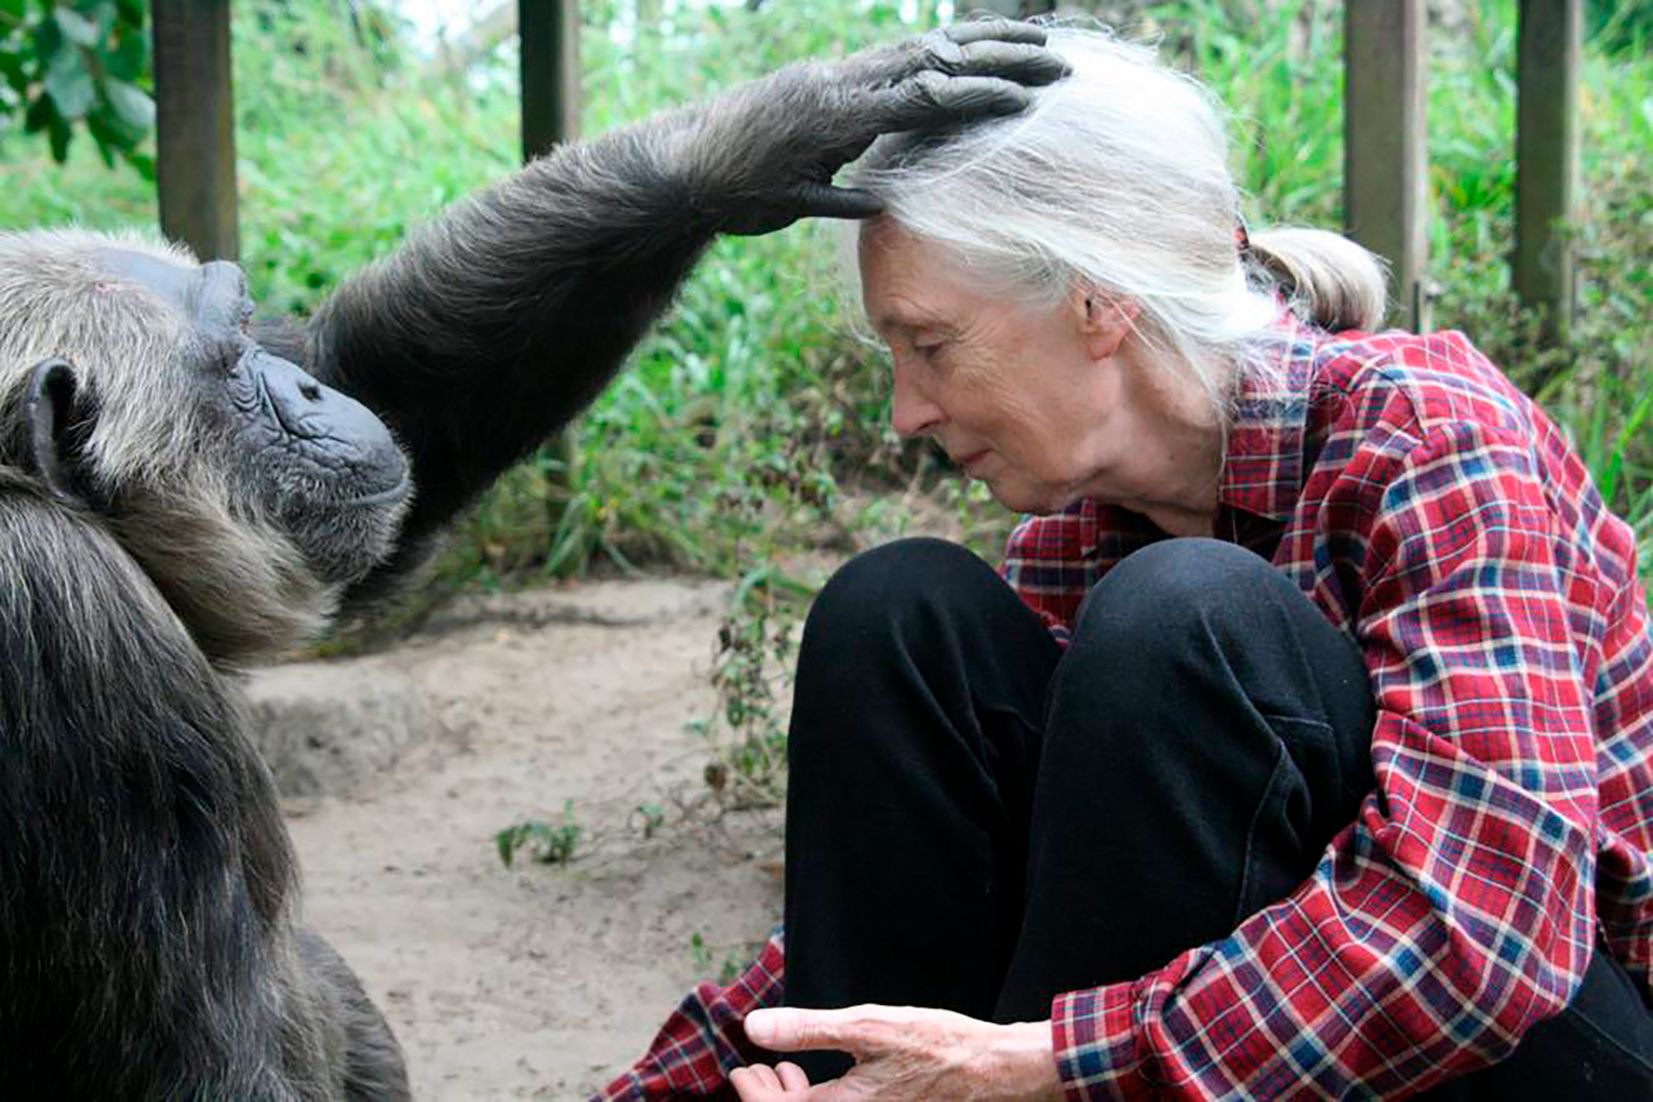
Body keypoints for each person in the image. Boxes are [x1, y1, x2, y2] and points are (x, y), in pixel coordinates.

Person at [595, 23, 1653, 1101]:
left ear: (1097, 299)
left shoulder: (1428, 440)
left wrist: (1046, 1065)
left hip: (1564, 1049)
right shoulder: (1079, 534)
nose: (907, 410)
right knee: (902, 619)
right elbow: (902, 881)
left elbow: (1490, 932)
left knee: (1184, 617)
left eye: (931, 344)